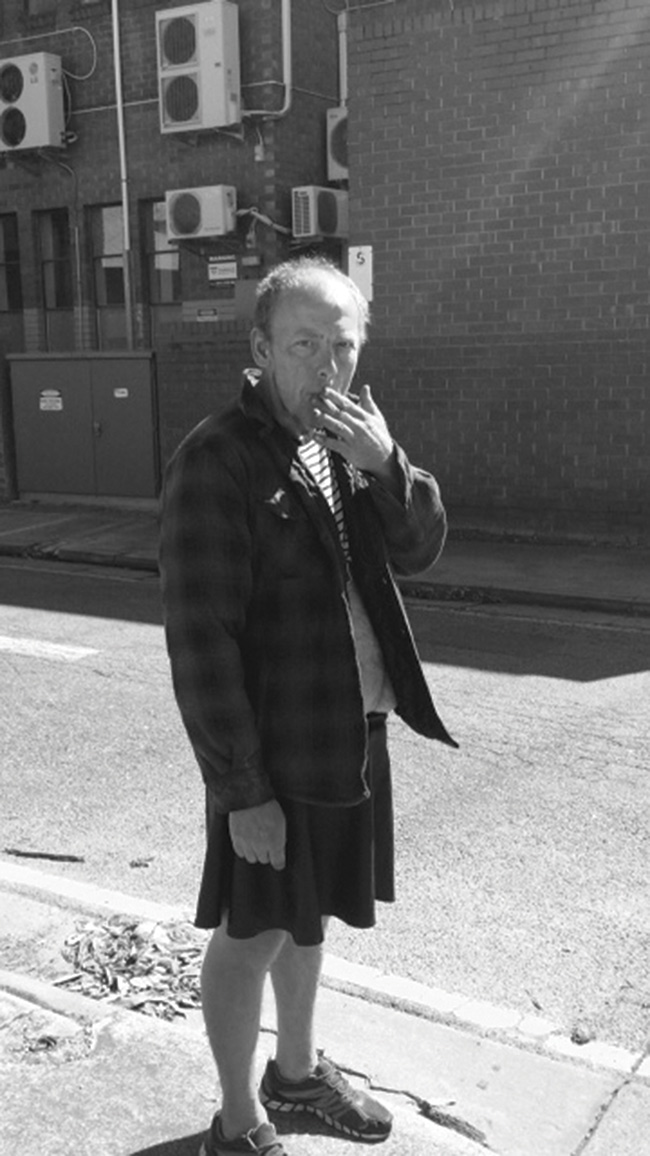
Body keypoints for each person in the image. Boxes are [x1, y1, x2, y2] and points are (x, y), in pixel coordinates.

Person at [159, 256, 457, 1156]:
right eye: (304, 345)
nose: (329, 369)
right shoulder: (218, 460)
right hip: (274, 757)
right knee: (250, 932)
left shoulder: (348, 447)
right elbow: (200, 642)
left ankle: (294, 1075)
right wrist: (241, 790)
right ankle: (237, 1120)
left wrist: (388, 464)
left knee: (311, 915)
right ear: (260, 349)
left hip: (351, 734)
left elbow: (421, 551)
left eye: (344, 345)